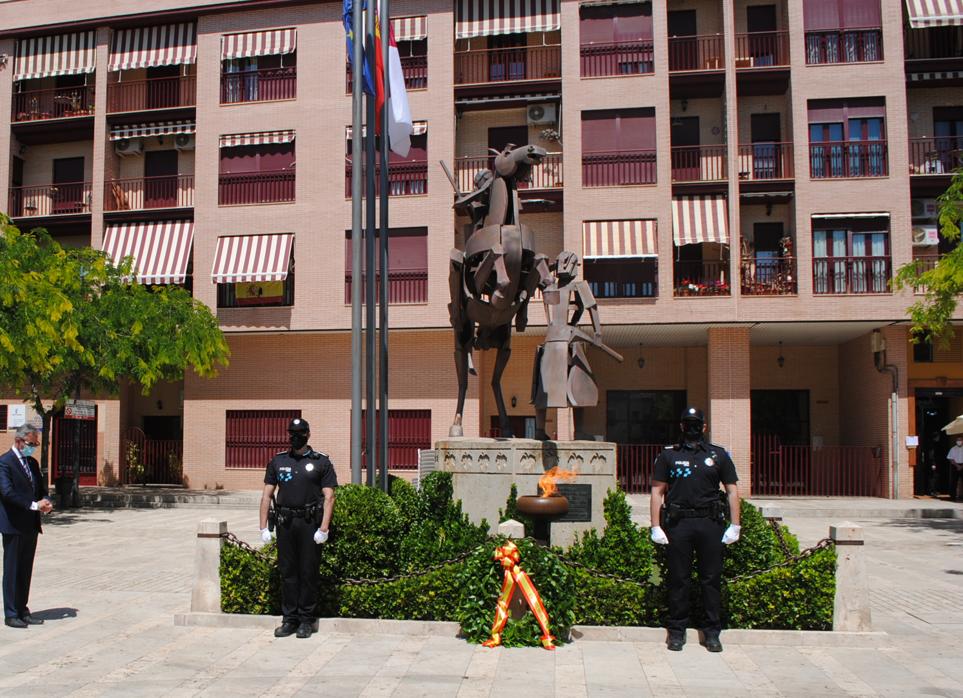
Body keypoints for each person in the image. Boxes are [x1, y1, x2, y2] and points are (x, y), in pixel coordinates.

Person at [649, 407, 741, 653]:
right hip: (679, 525)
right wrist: (655, 525)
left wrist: (735, 524)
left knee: (710, 579)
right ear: (681, 426)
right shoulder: (669, 455)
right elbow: (657, 491)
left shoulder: (718, 455)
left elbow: (732, 490)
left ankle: (712, 632)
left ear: (704, 427)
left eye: (696, 423)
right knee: (679, 579)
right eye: (687, 423)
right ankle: (676, 632)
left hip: (710, 524)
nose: (692, 428)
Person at [259, 418, 336, 639]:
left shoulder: (321, 462)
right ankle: (289, 619)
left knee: (308, 572)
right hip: (285, 523)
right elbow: (266, 494)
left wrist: (324, 528)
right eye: (292, 432)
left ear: (308, 434)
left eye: (300, 432)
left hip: (310, 523)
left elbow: (329, 497)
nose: (295, 436)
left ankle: (306, 620)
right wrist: (263, 527)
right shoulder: (278, 461)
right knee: (288, 573)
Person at [0, 422, 54, 628]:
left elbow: (40, 489)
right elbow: (7, 493)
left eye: (36, 444)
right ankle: (11, 613)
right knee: (12, 569)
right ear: (18, 440)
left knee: (25, 569)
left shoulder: (32, 463)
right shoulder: (4, 463)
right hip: (13, 525)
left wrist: (47, 502)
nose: (33, 447)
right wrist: (33, 505)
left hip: (31, 525)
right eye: (31, 443)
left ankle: (23, 609)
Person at [947, 435, 963, 502]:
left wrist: (962, 466)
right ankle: (952, 496)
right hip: (955, 466)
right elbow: (950, 458)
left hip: (962, 465)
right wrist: (957, 466)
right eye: (957, 440)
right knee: (954, 481)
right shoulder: (953, 449)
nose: (959, 441)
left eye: (960, 440)